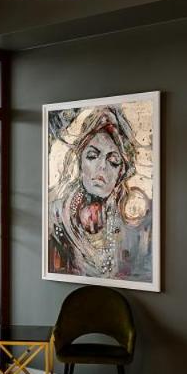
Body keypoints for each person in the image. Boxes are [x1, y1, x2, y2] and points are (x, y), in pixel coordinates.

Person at [47, 106, 152, 282]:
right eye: (92, 156)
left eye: (113, 161)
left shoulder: (136, 227)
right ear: (80, 162)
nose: (102, 167)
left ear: (121, 173)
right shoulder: (55, 218)